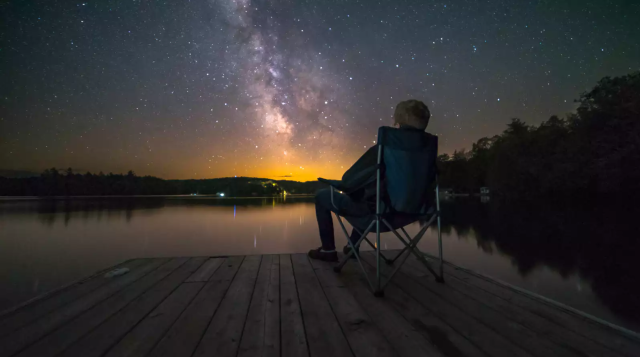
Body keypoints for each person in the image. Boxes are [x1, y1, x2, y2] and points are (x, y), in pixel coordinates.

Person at [308, 99, 431, 261]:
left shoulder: (385, 148)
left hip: (381, 215)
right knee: (370, 193)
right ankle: (353, 246)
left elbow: (349, 179)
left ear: (399, 120)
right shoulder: (428, 150)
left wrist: (342, 185)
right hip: (415, 212)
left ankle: (328, 250)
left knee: (322, 196)